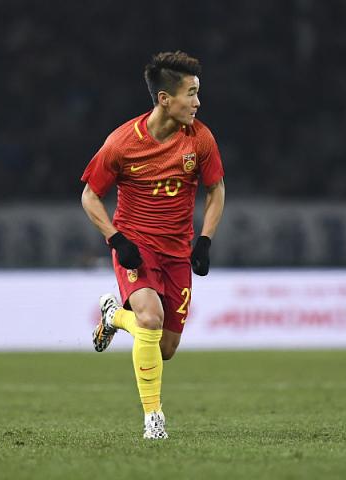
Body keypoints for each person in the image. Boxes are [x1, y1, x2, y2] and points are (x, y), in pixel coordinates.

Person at [80, 51, 225, 440]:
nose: (197, 102)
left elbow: (216, 189)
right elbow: (90, 196)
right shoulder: (122, 143)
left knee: (165, 348)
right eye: (190, 94)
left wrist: (205, 239)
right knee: (149, 319)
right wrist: (116, 238)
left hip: (177, 251)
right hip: (136, 246)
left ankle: (113, 316)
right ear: (165, 99)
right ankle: (153, 418)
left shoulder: (200, 139)